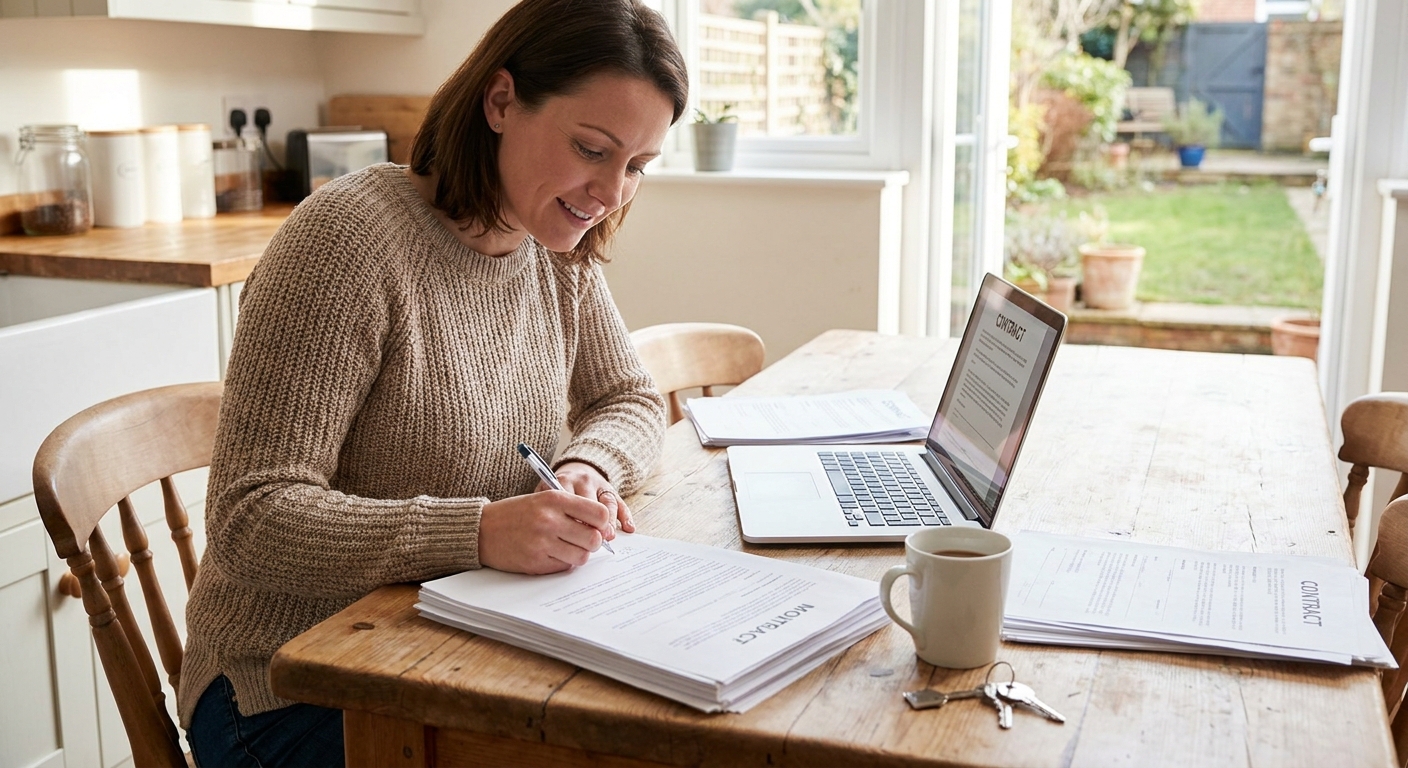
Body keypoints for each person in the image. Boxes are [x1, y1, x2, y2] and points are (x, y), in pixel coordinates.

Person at [178, 1, 686, 765]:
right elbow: (253, 517)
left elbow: (630, 399)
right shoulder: (347, 239)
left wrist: (588, 466)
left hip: (453, 637)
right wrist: (477, 532)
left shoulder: (554, 246)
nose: (611, 192)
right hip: (284, 685)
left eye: (637, 167)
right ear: (501, 101)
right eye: (592, 148)